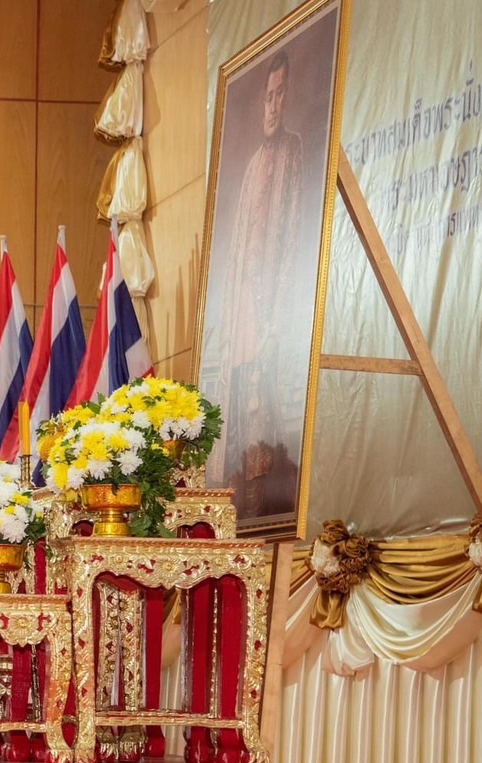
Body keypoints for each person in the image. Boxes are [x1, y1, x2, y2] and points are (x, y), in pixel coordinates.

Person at [212, 48, 309, 520]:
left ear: (286, 97)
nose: (272, 105)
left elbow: (291, 232)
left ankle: (263, 498)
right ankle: (242, 504)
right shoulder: (251, 165)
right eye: (266, 96)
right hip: (245, 310)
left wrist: (275, 313)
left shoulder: (292, 149)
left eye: (279, 95)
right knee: (240, 403)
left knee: (263, 403)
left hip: (271, 306)